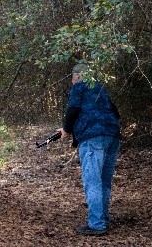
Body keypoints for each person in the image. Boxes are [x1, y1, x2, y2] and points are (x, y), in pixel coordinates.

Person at [57, 63, 121, 237]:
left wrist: (66, 130)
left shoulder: (79, 88)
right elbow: (116, 113)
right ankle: (102, 220)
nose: (72, 81)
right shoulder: (100, 89)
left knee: (92, 181)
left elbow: (73, 110)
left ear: (76, 77)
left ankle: (97, 224)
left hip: (93, 139)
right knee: (104, 181)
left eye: (72, 78)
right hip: (113, 136)